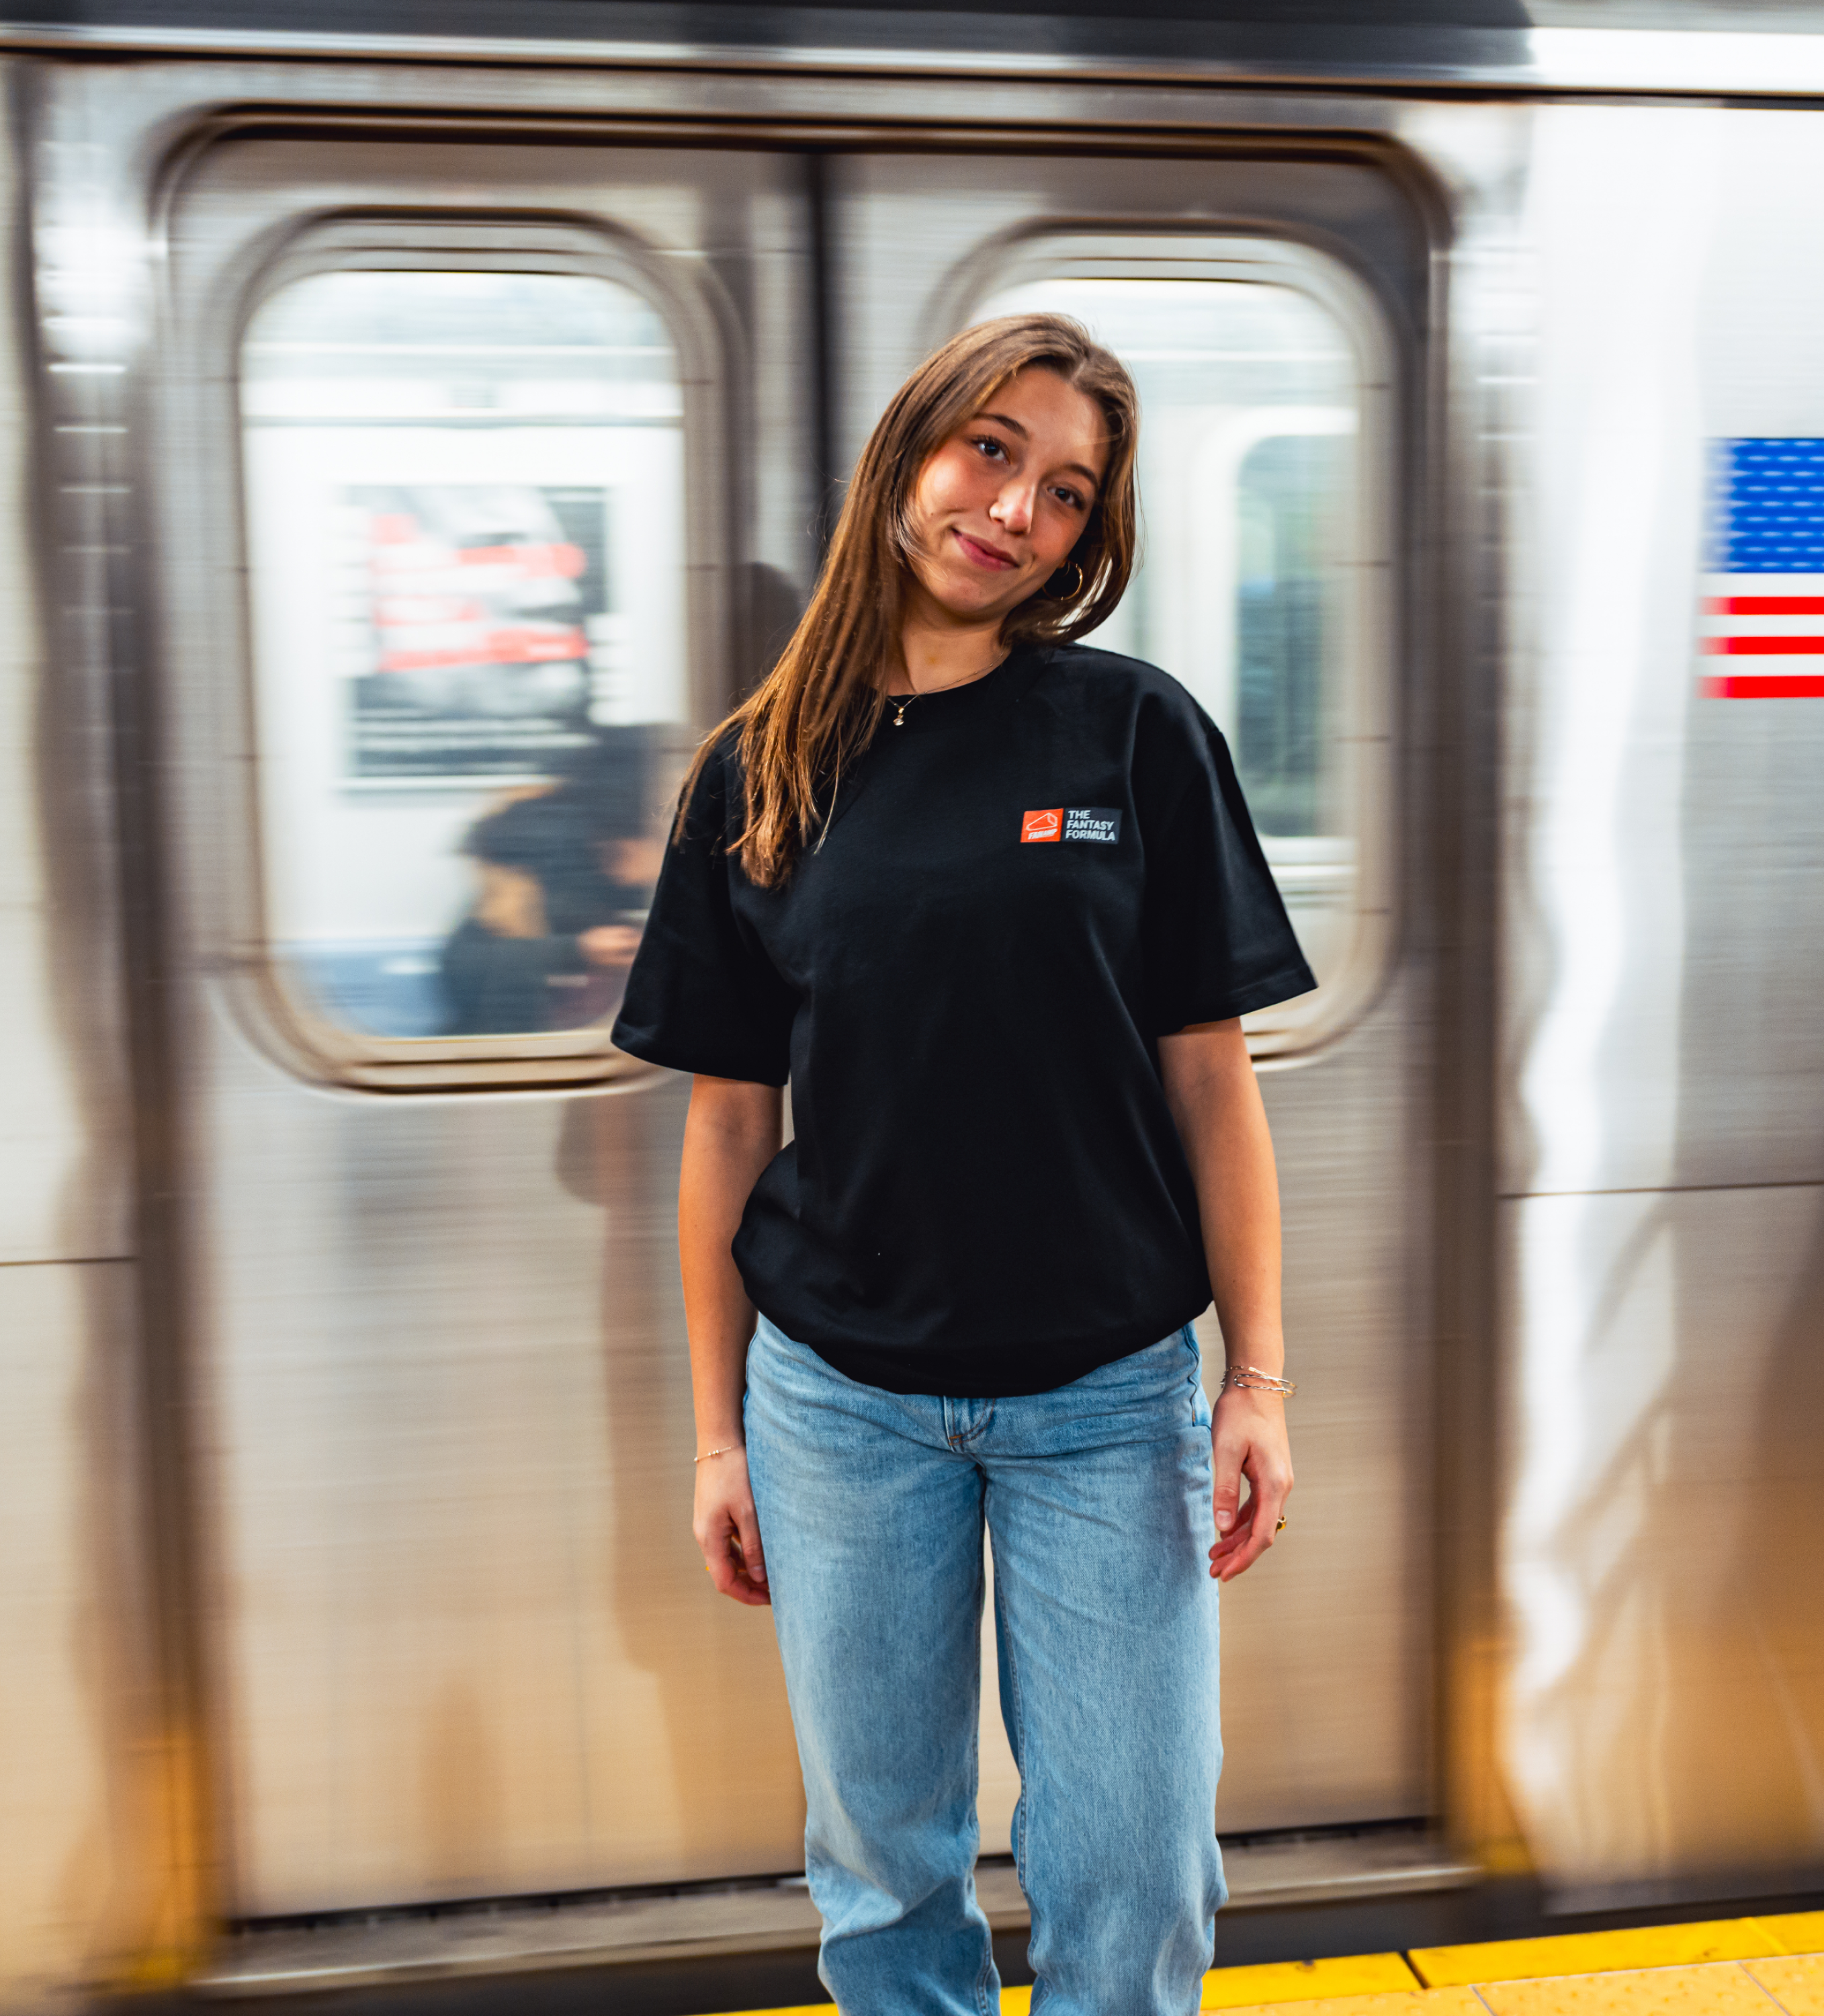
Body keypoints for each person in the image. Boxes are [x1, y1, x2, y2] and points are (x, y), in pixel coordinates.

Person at [611, 314, 1313, 2016]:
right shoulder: (755, 771)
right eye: (988, 450)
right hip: (838, 1403)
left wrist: (1258, 1377)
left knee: (1137, 1863)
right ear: (909, 451)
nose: (1014, 510)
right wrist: (718, 1428)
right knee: (883, 1864)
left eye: (1066, 492)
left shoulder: (1131, 734)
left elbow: (1213, 1084)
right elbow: (725, 1125)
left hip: (1102, 1388)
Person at [441, 725, 669, 1034]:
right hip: (512, 1045)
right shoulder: (539, 868)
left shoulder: (626, 880)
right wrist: (580, 950)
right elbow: (462, 968)